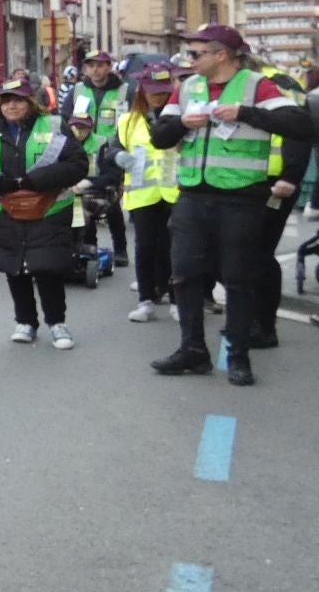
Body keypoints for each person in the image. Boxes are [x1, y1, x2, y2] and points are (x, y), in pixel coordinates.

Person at [148, 27, 310, 386]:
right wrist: (180, 123)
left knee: (238, 278)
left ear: (221, 54)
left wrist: (246, 113)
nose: (189, 61)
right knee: (185, 274)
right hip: (192, 194)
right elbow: (159, 137)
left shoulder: (257, 86)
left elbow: (300, 125)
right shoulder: (189, 87)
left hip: (241, 197)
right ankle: (193, 350)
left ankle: (238, 355)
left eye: (195, 54)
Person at [0, 74, 88, 350]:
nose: (11, 107)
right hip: (4, 213)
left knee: (47, 267)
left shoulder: (54, 126)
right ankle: (25, 322)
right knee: (15, 268)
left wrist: (38, 180)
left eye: (18, 101)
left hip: (49, 210)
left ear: (30, 102)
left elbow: (78, 165)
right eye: (6, 101)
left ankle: (57, 323)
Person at [100, 67, 180, 323]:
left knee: (177, 249)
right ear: (142, 91)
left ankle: (178, 300)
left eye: (163, 92)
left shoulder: (179, 115)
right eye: (153, 92)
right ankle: (146, 300)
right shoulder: (128, 120)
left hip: (176, 191)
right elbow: (112, 149)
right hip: (143, 193)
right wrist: (118, 156)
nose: (158, 97)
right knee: (145, 247)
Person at [249, 67, 310, 351]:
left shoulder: (278, 85)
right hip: (246, 182)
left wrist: (290, 175)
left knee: (260, 254)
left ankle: (264, 326)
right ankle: (251, 319)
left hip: (275, 184)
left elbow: (298, 130)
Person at [62, 52, 128, 266]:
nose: (95, 70)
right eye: (91, 66)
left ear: (109, 67)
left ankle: (121, 250)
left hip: (112, 152)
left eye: (100, 65)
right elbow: (64, 119)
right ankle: (89, 247)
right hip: (79, 147)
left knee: (113, 204)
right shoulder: (77, 90)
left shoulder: (124, 91)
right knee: (82, 207)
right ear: (85, 69)